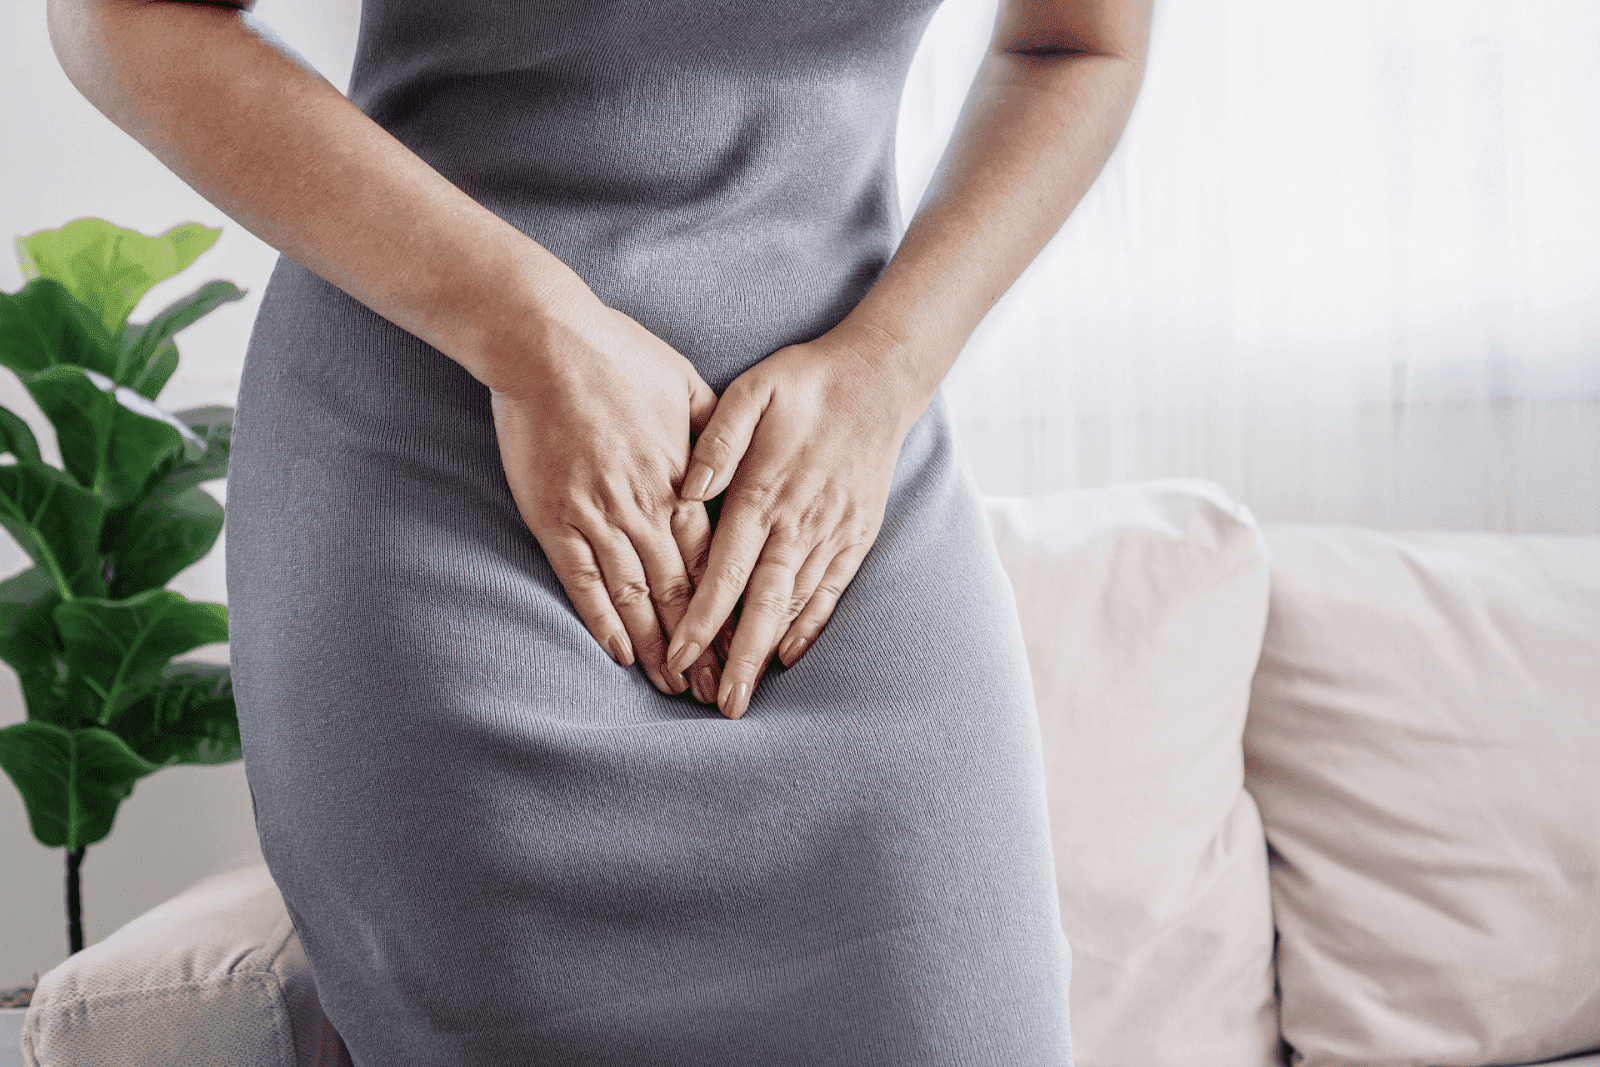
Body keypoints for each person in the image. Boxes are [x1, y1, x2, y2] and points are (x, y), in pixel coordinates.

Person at [51, 0, 1151, 1061]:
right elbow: (119, 14)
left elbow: (1077, 44)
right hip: (439, 466)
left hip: (846, 474)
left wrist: (889, 368)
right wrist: (530, 332)